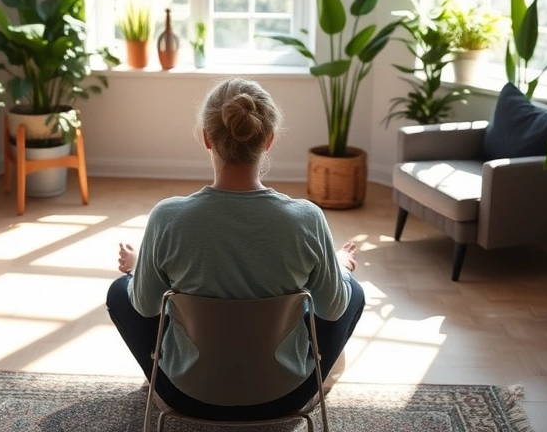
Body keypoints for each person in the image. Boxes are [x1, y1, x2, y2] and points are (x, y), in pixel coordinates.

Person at [106, 77, 365, 421]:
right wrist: (340, 264)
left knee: (120, 291)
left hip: (187, 395)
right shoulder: (307, 219)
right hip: (285, 395)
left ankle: (162, 384)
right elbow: (333, 310)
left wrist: (141, 265)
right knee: (353, 292)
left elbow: (145, 305)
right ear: (269, 140)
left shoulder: (167, 218)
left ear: (206, 138)